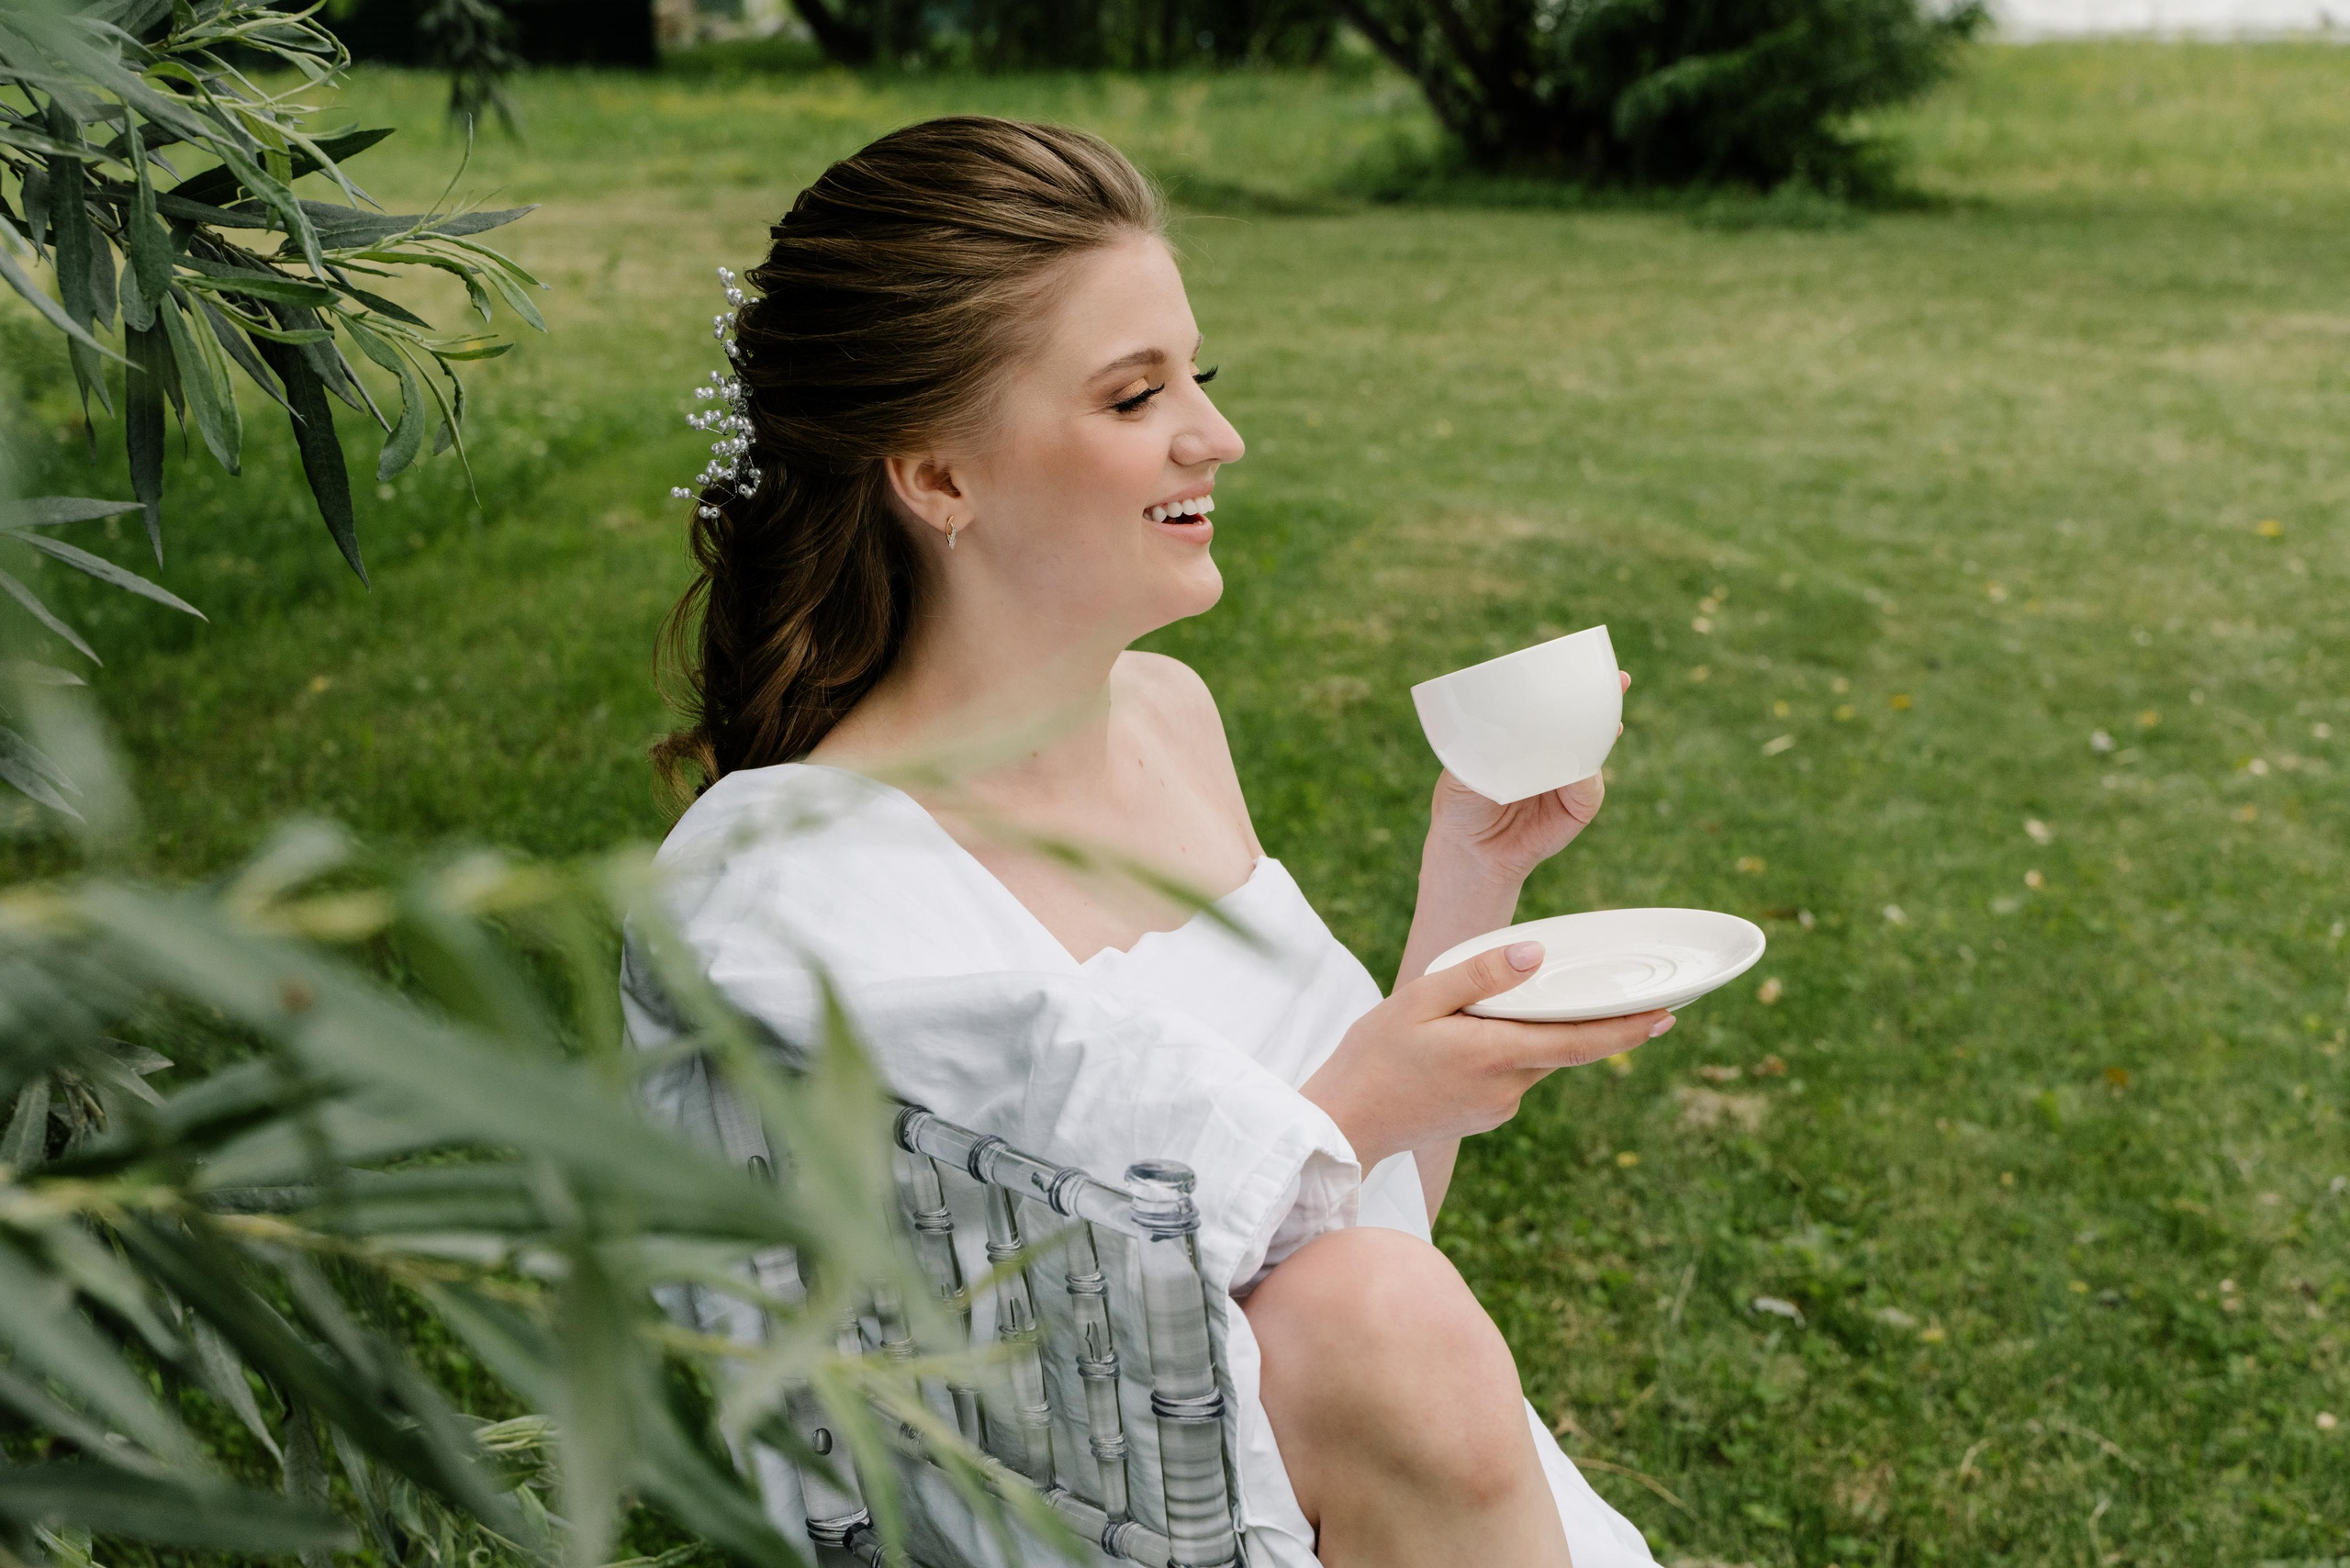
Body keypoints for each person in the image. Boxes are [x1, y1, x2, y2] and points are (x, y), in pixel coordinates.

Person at [627, 115, 1672, 1568]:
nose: (1216, 435)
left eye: (1201, 376)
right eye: (1134, 397)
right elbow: (1025, 1405)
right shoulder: (798, 890)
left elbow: (1366, 1247)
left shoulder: (1171, 719)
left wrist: (1473, 875)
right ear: (935, 479)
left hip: (1429, 1484)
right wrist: (1361, 1100)